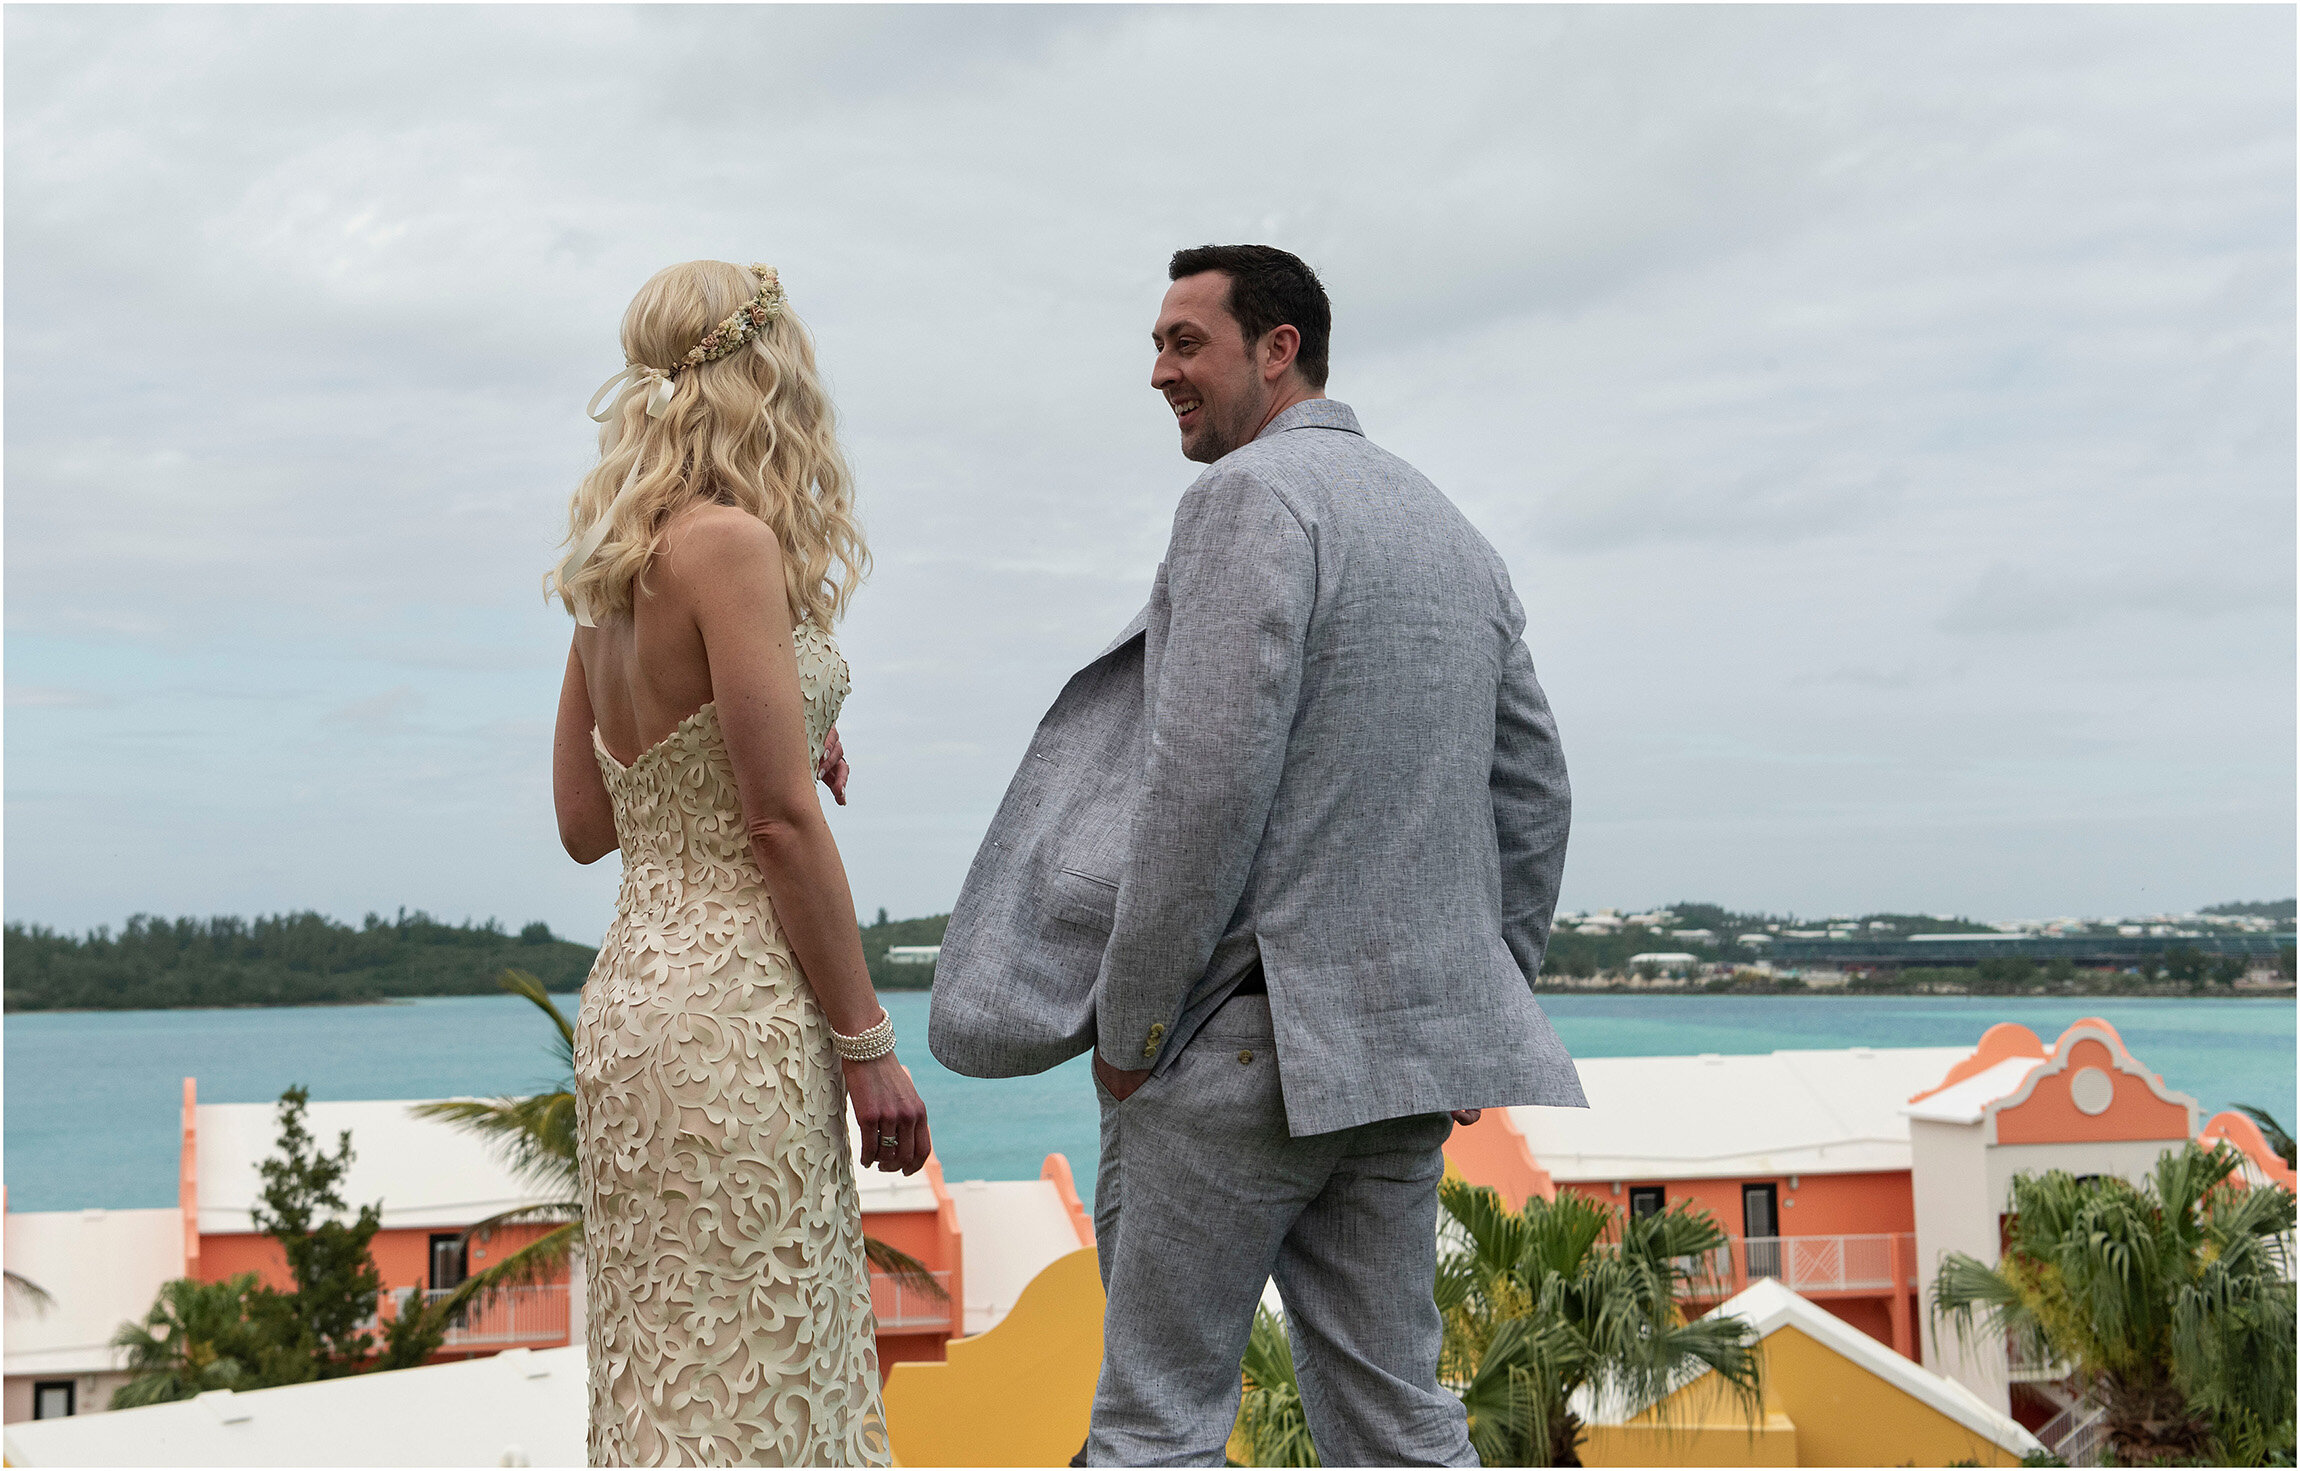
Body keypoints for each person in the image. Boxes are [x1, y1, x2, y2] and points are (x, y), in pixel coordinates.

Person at [930, 244, 1586, 1466]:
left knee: (1156, 1426)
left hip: (1236, 1050)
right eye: (1157, 345)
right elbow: (1532, 793)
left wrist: (1128, 1034)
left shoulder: (1246, 501)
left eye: (1187, 343)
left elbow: (1203, 792)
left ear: (1277, 349)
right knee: (1399, 1423)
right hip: (1391, 1065)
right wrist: (1467, 1003)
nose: (1160, 372)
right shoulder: (1449, 530)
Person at [548, 259, 925, 1467]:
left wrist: (771, 723)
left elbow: (587, 820)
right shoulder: (731, 544)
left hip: (632, 1009)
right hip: (737, 1014)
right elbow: (777, 822)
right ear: (769, 380)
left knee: (674, 1361)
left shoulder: (609, 569)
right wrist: (869, 1047)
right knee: (766, 1360)